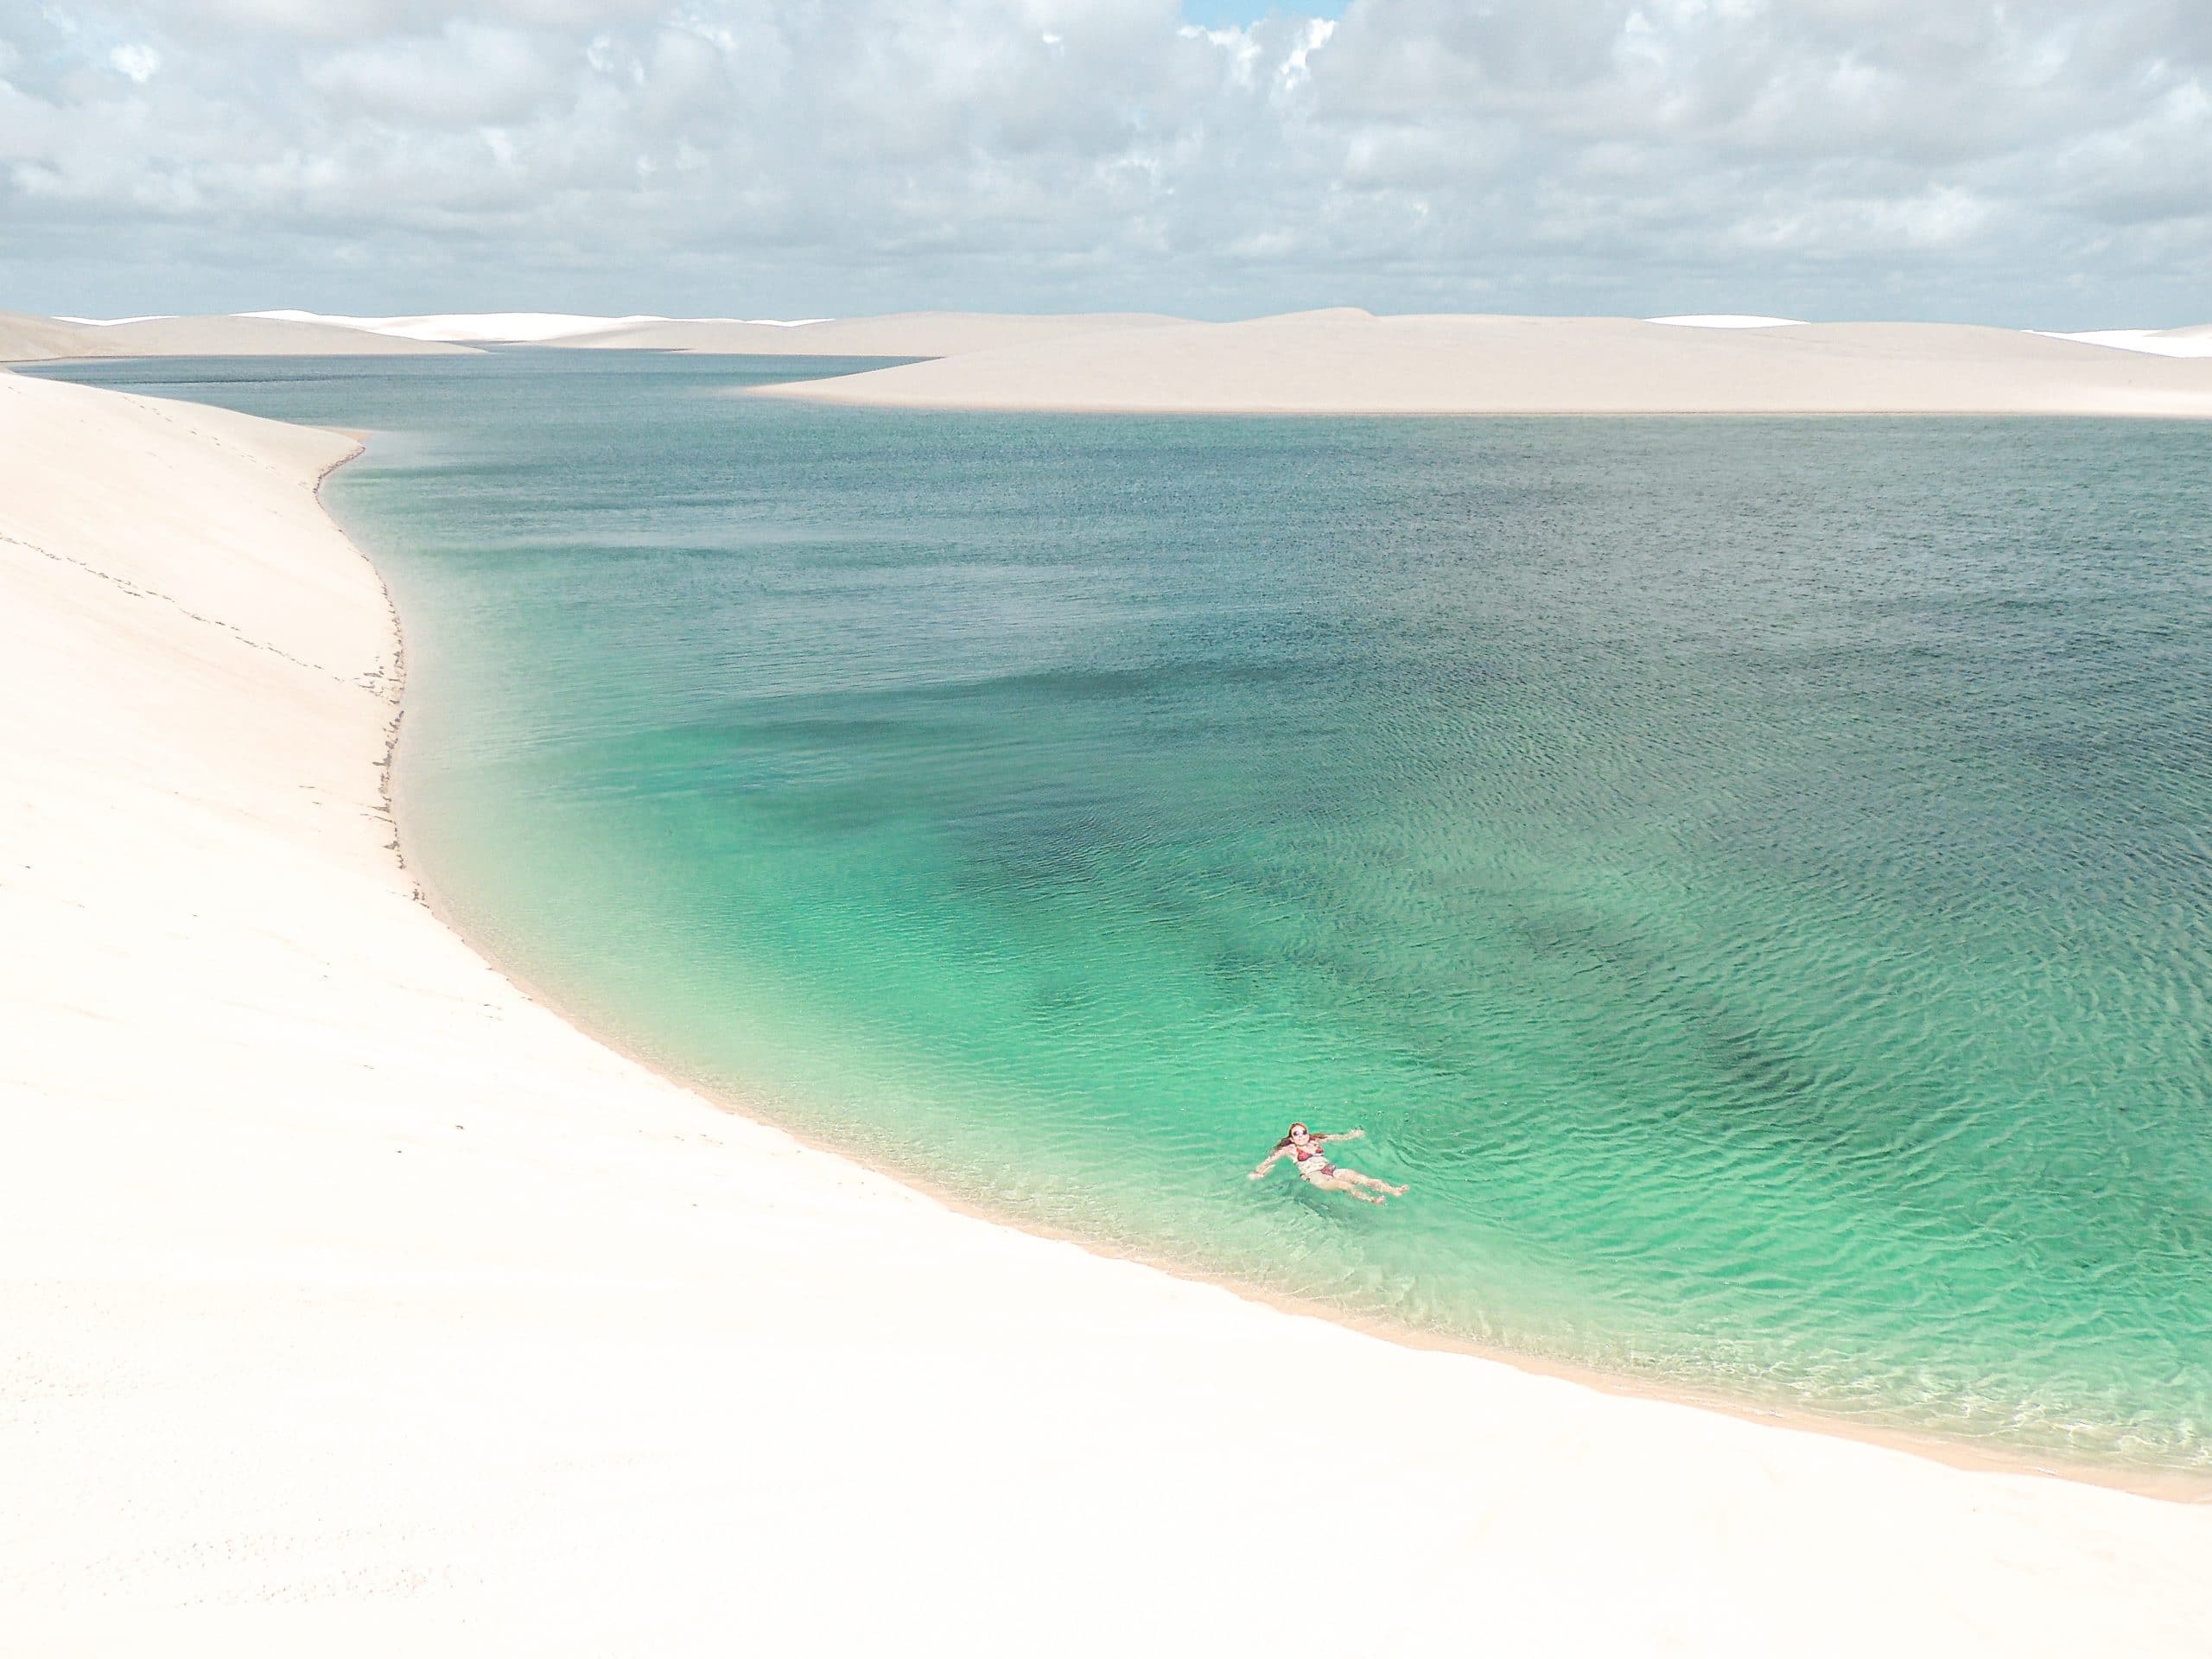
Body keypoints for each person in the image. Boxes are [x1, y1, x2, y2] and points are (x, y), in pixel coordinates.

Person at [1249, 1122, 1408, 1205]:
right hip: (1315, 1176)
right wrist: (1260, 1172)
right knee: (1344, 1185)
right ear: (1291, 1138)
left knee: (1360, 1177)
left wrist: (1353, 1135)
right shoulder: (1289, 1149)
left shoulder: (1316, 1140)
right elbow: (1267, 1161)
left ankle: (1394, 1191)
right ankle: (1372, 1200)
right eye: (1296, 1134)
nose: (1301, 1135)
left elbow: (1338, 1138)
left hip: (1329, 1168)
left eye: (1304, 1132)